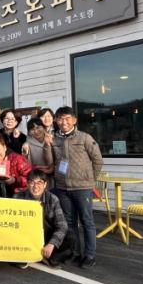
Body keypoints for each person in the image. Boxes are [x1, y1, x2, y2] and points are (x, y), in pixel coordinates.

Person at [51, 106, 103, 269]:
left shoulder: (84, 138)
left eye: (67, 118)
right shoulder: (54, 139)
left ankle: (89, 255)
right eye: (60, 118)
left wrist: (90, 180)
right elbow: (53, 161)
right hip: (62, 188)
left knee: (87, 221)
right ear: (56, 121)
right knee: (70, 222)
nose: (64, 122)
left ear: (74, 120)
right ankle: (75, 252)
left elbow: (98, 160)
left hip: (82, 188)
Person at [15, 169, 73, 268]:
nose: (35, 186)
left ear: (45, 184)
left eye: (39, 183)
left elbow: (62, 225)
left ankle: (47, 255)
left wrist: (52, 244)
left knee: (70, 236)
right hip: (26, 234)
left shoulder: (53, 199)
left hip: (45, 234)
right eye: (32, 182)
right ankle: (24, 254)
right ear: (27, 184)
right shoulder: (18, 197)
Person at [0, 132, 31, 197]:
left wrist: (14, 180)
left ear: (5, 147)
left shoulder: (18, 159)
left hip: (20, 195)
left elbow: (30, 180)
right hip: (0, 195)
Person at [23, 117, 54, 188]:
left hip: (52, 176)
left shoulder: (52, 139)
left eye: (38, 127)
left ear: (44, 127)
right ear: (29, 132)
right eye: (32, 129)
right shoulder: (27, 144)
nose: (36, 131)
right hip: (36, 178)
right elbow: (25, 162)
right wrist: (25, 153)